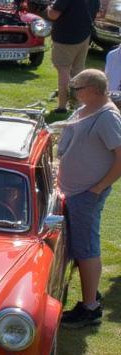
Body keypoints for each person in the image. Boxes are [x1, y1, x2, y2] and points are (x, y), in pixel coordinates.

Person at [55, 69, 121, 326]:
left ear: (93, 89)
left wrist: (98, 188)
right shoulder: (86, 108)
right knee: (78, 247)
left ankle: (90, 307)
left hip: (85, 194)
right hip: (72, 191)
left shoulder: (107, 118)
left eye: (77, 88)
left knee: (86, 248)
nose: (74, 92)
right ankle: (89, 296)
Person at [47, 0, 100, 115]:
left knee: (63, 70)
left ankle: (62, 106)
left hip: (66, 37)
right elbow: (97, 14)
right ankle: (78, 104)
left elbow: (54, 15)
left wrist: (49, 9)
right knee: (78, 71)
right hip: (84, 36)